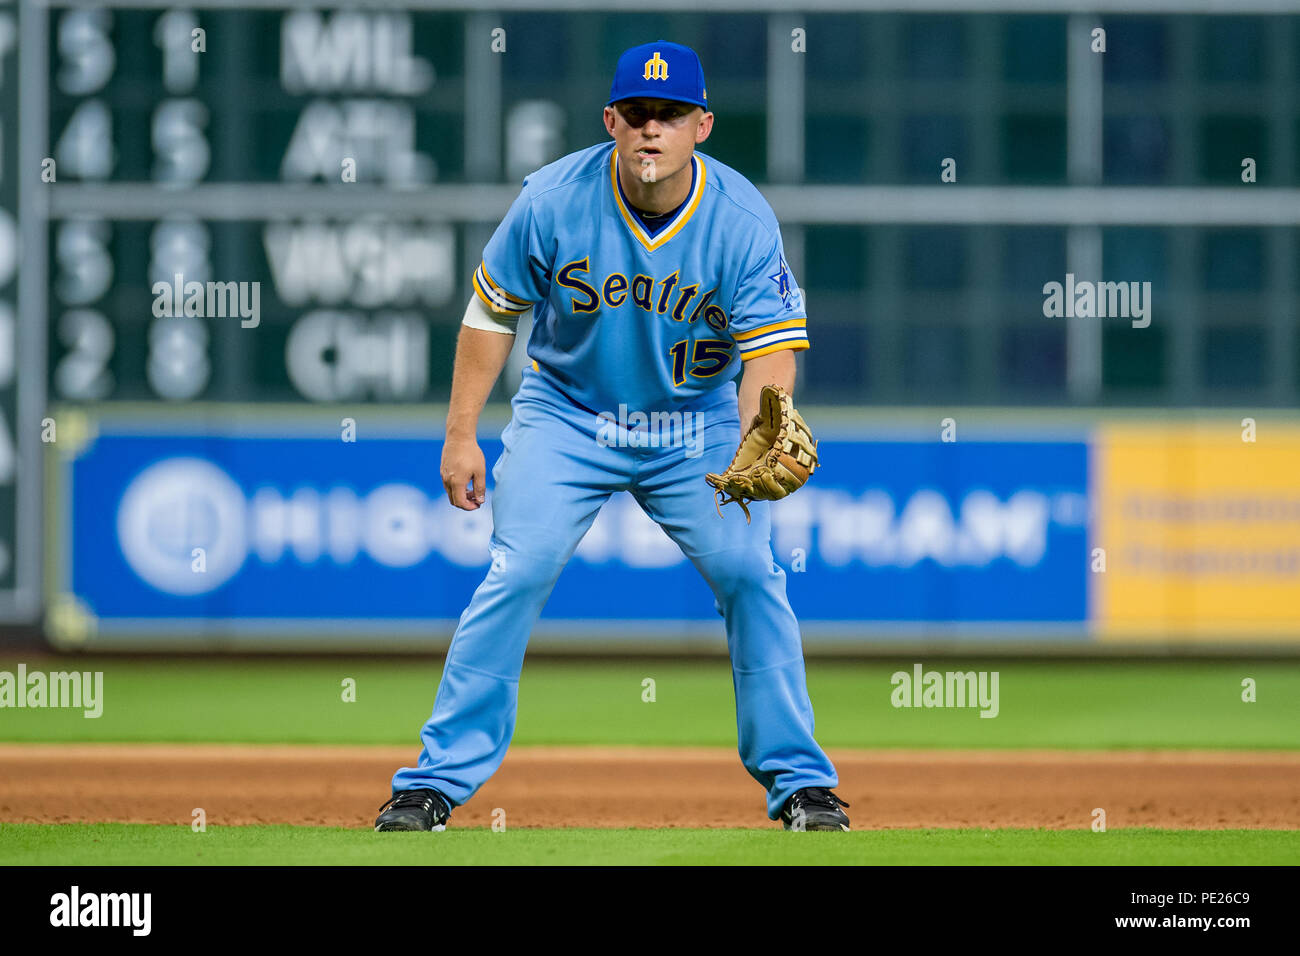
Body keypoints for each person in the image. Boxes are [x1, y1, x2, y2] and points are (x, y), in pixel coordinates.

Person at [376, 40, 849, 832]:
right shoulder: (554, 198)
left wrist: (757, 433)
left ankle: (800, 783)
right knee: (517, 570)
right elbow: (491, 312)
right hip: (568, 414)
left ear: (702, 124)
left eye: (668, 115)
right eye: (636, 114)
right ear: (610, 122)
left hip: (693, 424)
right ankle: (434, 782)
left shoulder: (740, 219)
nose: (650, 129)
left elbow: (770, 350)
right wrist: (461, 435)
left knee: (750, 573)